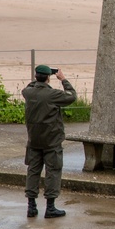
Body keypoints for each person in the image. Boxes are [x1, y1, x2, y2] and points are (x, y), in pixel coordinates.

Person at [22, 64, 77, 218]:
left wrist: (39, 80)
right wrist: (63, 79)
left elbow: (30, 86)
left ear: (35, 77)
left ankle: (31, 207)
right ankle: (50, 207)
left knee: (33, 171)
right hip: (51, 140)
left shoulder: (28, 92)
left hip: (34, 139)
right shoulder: (52, 95)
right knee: (53, 171)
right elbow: (72, 96)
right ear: (48, 77)